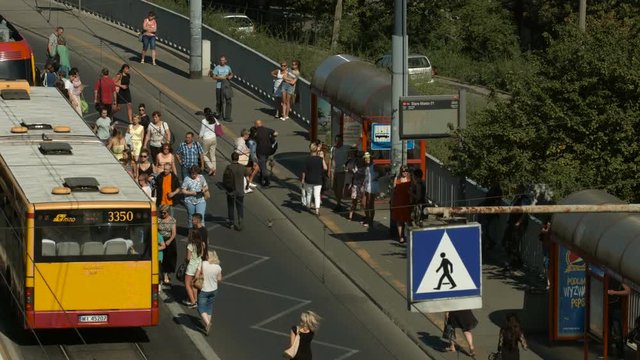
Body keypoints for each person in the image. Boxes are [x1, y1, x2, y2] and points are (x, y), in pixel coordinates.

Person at [195, 250, 222, 335]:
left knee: (200, 307)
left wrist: (201, 276)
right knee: (209, 307)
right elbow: (219, 279)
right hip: (214, 290)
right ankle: (207, 326)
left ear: (208, 256)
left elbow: (196, 276)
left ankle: (208, 323)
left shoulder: (203, 264)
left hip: (204, 290)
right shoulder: (218, 267)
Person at [503, 187, 530, 268]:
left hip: (518, 224)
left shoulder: (525, 199)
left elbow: (525, 211)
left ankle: (515, 262)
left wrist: (518, 222)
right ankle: (516, 261)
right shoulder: (516, 198)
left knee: (514, 243)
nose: (515, 190)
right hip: (511, 222)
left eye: (516, 189)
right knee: (505, 241)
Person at [224, 152, 251, 231]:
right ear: (238, 158)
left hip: (231, 191)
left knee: (231, 207)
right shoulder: (242, 167)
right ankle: (240, 222)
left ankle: (231, 223)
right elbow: (248, 178)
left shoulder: (228, 167)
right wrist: (247, 185)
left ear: (232, 158)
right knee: (240, 207)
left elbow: (225, 178)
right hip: (240, 191)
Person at [608, 277, 630, 359]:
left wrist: (614, 292)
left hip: (615, 307)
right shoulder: (605, 275)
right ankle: (608, 352)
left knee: (618, 332)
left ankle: (620, 355)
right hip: (605, 306)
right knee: (607, 331)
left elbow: (628, 291)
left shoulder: (618, 277)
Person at [301, 143, 326, 215]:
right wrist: (322, 158)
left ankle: (308, 206)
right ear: (316, 150)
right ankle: (317, 210)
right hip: (318, 180)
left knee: (309, 194)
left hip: (309, 180)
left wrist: (303, 179)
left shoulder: (307, 159)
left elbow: (304, 171)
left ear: (310, 150)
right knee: (317, 195)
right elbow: (325, 168)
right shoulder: (320, 159)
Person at [183, 230, 205, 308]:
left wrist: (185, 260)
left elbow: (188, 258)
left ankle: (192, 302)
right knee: (193, 284)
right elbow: (202, 255)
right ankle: (195, 300)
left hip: (191, 266)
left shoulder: (190, 245)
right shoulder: (202, 244)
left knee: (187, 284)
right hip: (198, 266)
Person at [391, 165, 412, 243]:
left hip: (407, 201)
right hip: (398, 201)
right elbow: (393, 191)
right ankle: (401, 236)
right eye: (403, 171)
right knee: (399, 220)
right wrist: (392, 201)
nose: (405, 172)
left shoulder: (410, 179)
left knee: (408, 220)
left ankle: (410, 236)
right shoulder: (397, 179)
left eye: (406, 170)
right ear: (401, 171)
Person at [158, 203, 177, 287]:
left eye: (164, 212)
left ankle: (166, 274)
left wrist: (169, 240)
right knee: (162, 258)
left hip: (169, 240)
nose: (163, 214)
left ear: (168, 212)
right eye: (161, 212)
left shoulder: (172, 220)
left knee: (169, 259)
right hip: (160, 240)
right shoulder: (158, 219)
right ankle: (163, 274)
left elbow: (174, 233)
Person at [253, 119, 277, 187]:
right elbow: (276, 133)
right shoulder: (267, 129)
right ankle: (261, 177)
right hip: (268, 150)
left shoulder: (256, 132)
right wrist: (272, 137)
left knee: (263, 166)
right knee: (263, 163)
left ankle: (266, 181)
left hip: (261, 151)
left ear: (256, 125)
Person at [330, 134, 349, 212]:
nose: (338, 142)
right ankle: (338, 202)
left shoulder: (346, 148)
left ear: (342, 141)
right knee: (334, 188)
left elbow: (354, 151)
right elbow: (331, 159)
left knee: (339, 189)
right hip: (334, 171)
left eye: (340, 141)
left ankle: (339, 204)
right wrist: (329, 171)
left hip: (342, 172)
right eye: (337, 141)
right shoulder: (333, 149)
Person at [210, 56, 233, 121]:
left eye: (223, 60)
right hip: (219, 87)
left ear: (225, 61)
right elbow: (214, 77)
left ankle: (228, 117)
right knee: (220, 102)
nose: (222, 61)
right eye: (221, 60)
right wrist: (222, 78)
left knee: (228, 101)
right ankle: (220, 115)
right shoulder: (217, 68)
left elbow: (231, 74)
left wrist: (230, 76)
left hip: (227, 86)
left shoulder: (228, 67)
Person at [198, 108, 219, 176]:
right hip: (214, 138)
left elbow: (202, 130)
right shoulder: (214, 119)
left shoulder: (204, 121)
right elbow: (218, 124)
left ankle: (211, 167)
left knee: (203, 155)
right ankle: (214, 171)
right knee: (212, 155)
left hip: (206, 139)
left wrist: (200, 136)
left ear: (204, 113)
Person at [361, 152, 378, 228]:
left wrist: (376, 178)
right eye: (365, 158)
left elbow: (382, 172)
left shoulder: (374, 166)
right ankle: (368, 219)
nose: (367, 159)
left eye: (368, 158)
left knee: (370, 204)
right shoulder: (366, 167)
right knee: (364, 203)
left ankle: (370, 221)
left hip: (372, 186)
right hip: (366, 185)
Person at [234, 129, 253, 194]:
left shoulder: (238, 139)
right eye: (248, 135)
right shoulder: (241, 142)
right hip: (241, 160)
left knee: (242, 174)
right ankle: (245, 188)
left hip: (240, 160)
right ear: (245, 135)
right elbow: (238, 151)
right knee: (243, 174)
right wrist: (247, 151)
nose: (248, 136)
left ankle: (245, 187)